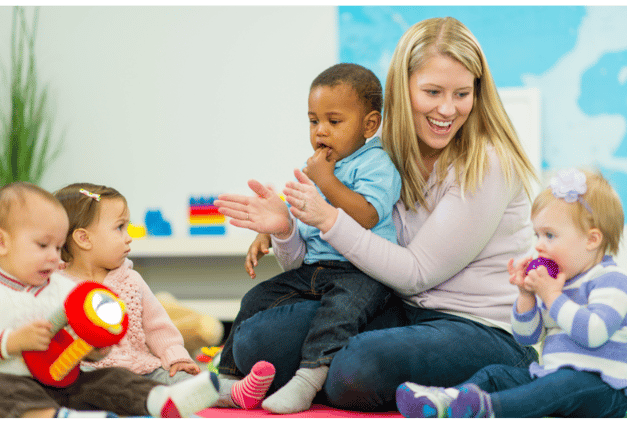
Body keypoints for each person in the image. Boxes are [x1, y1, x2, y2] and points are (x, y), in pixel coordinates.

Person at [217, 16, 540, 412]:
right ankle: (335, 379)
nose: (447, 109)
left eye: (462, 93)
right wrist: (285, 229)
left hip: (476, 327)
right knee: (255, 342)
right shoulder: (378, 153)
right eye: (432, 91)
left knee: (355, 368)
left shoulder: (489, 162)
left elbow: (417, 273)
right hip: (399, 311)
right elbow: (315, 260)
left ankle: (506, 376)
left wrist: (329, 218)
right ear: (403, 91)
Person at [215, 63, 402, 413]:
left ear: (369, 125)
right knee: (258, 297)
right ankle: (227, 379)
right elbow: (302, 216)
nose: (321, 132)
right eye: (314, 121)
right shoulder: (320, 167)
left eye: (334, 121)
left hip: (361, 273)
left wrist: (326, 180)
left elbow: (366, 215)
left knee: (339, 314)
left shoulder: (375, 164)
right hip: (316, 268)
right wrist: (271, 231)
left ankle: (309, 378)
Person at [396, 168, 627, 418]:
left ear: (592, 240)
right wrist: (526, 296)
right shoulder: (558, 283)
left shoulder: (612, 280)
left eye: (549, 235)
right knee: (497, 373)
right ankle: (446, 401)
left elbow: (594, 333)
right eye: (537, 234)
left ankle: (489, 409)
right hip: (555, 378)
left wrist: (551, 297)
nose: (538, 244)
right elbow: (527, 338)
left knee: (563, 384)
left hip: (605, 390)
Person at [0, 182, 220, 418]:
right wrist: (12, 341)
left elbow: (80, 336)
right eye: (43, 246)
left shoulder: (62, 288)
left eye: (58, 246)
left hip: (65, 383)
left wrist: (96, 348)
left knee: (110, 378)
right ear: (1, 242)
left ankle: (160, 400)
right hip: (10, 381)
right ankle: (51, 417)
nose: (54, 256)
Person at [53, 183, 275, 407]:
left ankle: (235, 392)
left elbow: (157, 326)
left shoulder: (131, 280)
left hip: (142, 370)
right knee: (79, 391)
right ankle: (155, 403)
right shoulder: (56, 286)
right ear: (84, 239)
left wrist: (176, 356)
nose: (128, 237)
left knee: (182, 380)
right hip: (89, 375)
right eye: (119, 228)